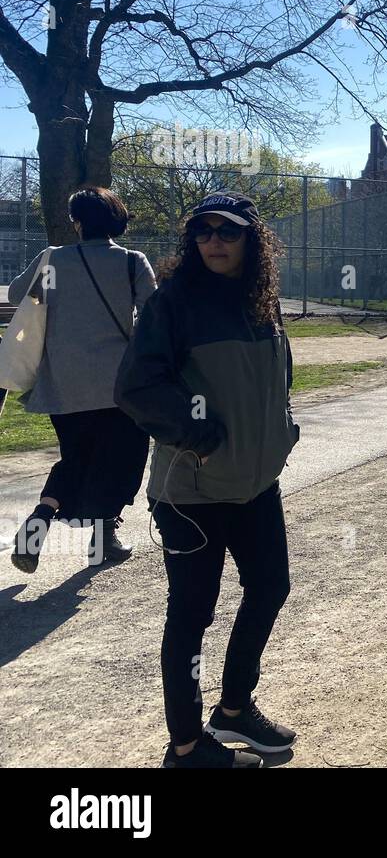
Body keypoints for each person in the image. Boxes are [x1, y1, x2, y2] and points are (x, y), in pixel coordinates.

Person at [115, 192, 300, 769]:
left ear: (253, 240)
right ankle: (187, 746)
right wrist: (196, 436)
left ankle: (236, 708)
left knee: (270, 588)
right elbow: (135, 388)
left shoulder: (260, 300)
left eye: (228, 231)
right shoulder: (175, 301)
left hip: (254, 485)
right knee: (191, 615)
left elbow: (275, 378)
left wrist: (282, 429)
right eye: (202, 231)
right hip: (191, 493)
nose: (214, 240)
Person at [9, 186, 156, 573]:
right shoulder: (131, 262)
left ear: (76, 223)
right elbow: (153, 317)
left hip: (64, 384)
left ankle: (42, 517)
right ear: (116, 220)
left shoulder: (53, 260)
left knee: (76, 458)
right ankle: (103, 539)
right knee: (123, 461)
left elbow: (16, 293)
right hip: (119, 385)